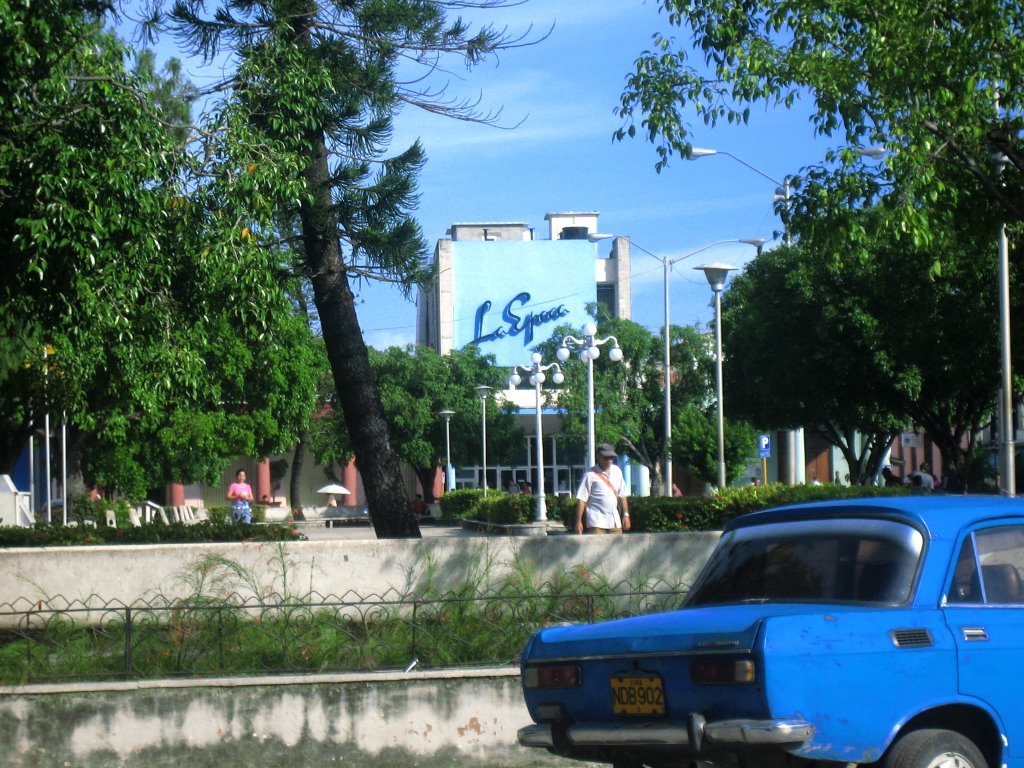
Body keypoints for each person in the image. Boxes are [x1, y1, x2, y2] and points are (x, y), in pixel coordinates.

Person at [575, 444, 630, 534]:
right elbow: (582, 499)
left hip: (614, 521)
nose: (609, 460)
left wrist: (626, 515)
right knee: (597, 547)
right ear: (598, 456)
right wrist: (578, 521)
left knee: (618, 547)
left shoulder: (617, 471)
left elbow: (622, 495)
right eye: (606, 457)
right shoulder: (590, 475)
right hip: (596, 522)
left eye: (611, 458)